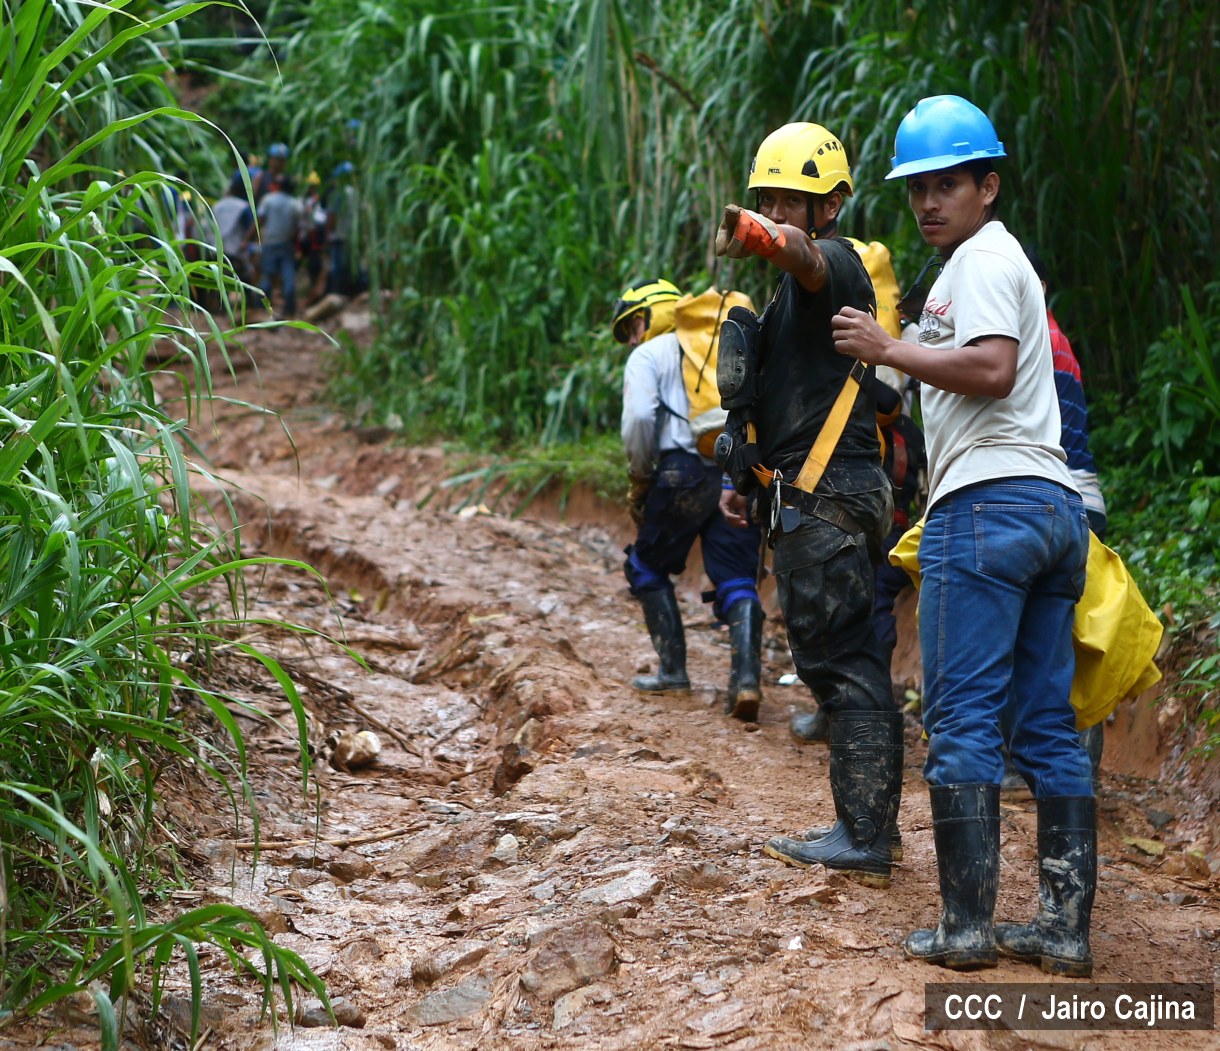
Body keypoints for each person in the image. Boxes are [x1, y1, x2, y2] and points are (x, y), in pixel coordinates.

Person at [831, 94, 1095, 975]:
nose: (927, 202)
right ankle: (1062, 929)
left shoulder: (981, 258)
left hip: (985, 511)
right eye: (916, 188)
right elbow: (949, 379)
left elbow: (991, 368)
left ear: (989, 185)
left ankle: (966, 927)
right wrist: (885, 359)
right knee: (1045, 726)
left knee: (963, 719)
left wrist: (887, 347)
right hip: (1050, 509)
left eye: (947, 184)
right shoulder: (978, 266)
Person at [713, 122, 903, 888]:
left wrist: (758, 233)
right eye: (769, 201)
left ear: (829, 206)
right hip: (818, 492)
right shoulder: (786, 301)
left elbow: (804, 255)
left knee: (842, 661)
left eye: (793, 201)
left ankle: (864, 835)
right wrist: (745, 462)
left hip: (830, 494)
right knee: (843, 657)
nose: (778, 214)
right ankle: (871, 826)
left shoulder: (837, 264)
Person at [614, 280, 766, 720]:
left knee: (645, 566)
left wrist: (640, 479)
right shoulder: (730, 344)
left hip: (680, 473)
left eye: (633, 326)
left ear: (654, 314)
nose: (633, 338)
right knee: (737, 578)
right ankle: (746, 681)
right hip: (738, 471)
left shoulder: (650, 355)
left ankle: (673, 672)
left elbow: (638, 421)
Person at [247, 172, 303, 317]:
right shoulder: (295, 203)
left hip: (270, 243)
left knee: (267, 276)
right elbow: (298, 227)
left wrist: (248, 238)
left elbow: (260, 220)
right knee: (288, 276)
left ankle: (261, 309)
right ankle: (289, 309)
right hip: (287, 244)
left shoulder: (269, 200)